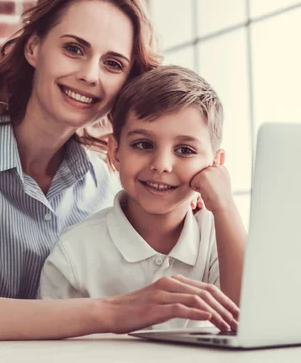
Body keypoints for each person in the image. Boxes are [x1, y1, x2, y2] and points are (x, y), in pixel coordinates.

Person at [0, 0, 238, 343]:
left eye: (113, 64)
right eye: (74, 49)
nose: (89, 75)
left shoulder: (104, 185)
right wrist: (115, 312)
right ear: (34, 48)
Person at [38, 65, 247, 331]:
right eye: (143, 144)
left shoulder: (221, 238)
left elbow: (247, 322)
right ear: (115, 152)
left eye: (185, 150)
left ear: (215, 164)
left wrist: (225, 206)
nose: (161, 165)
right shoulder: (73, 253)